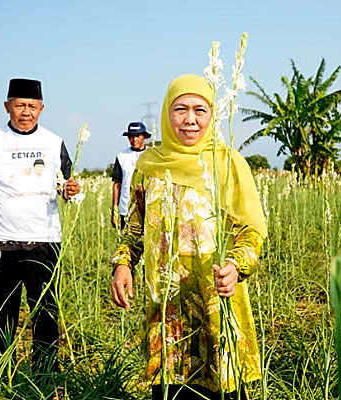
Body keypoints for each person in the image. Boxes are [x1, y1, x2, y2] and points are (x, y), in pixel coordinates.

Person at [110, 74, 267, 399]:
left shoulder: (226, 163)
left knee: (222, 387)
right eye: (180, 109)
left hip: (216, 304)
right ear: (167, 113)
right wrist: (123, 263)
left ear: (212, 115)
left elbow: (250, 231)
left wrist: (236, 266)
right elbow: (136, 230)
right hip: (166, 310)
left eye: (200, 109)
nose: (190, 119)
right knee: (170, 388)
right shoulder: (149, 166)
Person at [0, 78, 80, 374]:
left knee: (46, 314)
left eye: (32, 106)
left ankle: (47, 374)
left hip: (44, 243)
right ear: (7, 106)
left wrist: (71, 191)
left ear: (42, 108)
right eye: (20, 105)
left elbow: (67, 184)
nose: (26, 111)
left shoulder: (53, 143)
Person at [111, 121, 150, 230]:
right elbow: (117, 184)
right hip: (126, 210)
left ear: (144, 137)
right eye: (131, 136)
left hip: (147, 210)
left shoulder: (152, 155)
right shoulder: (121, 156)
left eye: (137, 136)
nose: (134, 139)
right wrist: (114, 211)